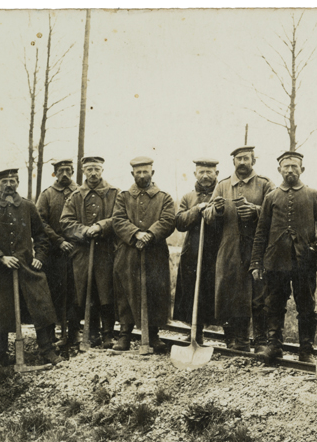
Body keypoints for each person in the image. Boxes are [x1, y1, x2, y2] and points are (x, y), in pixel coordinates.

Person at [250, 151, 317, 362]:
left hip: (304, 261)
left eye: (294, 166)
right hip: (275, 261)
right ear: (279, 170)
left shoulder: (313, 194)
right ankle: (274, 346)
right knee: (274, 303)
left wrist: (316, 250)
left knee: (306, 304)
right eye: (286, 167)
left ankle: (306, 349)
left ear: (302, 169)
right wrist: (257, 262)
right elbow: (261, 232)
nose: (290, 170)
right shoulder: (271, 198)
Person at [0, 168, 64, 366]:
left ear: (18, 183)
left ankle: (47, 350)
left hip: (26, 267)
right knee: (0, 311)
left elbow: (41, 236)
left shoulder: (27, 206)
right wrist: (1, 257)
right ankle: (1, 355)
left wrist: (39, 257)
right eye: (5, 181)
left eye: (13, 181)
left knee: (41, 304)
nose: (9, 185)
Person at [203, 145, 275, 352]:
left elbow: (275, 212)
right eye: (238, 159)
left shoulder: (265, 184)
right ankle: (235, 340)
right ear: (233, 162)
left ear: (254, 160)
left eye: (246, 158)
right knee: (229, 293)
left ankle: (261, 341)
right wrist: (215, 210)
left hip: (257, 247)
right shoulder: (223, 185)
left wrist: (255, 211)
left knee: (259, 294)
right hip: (230, 247)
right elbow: (207, 215)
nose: (242, 162)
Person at [112, 157, 176, 354]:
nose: (142, 175)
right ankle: (125, 334)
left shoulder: (164, 197)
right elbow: (118, 219)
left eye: (145, 172)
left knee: (155, 291)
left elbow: (168, 219)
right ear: (132, 174)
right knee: (126, 291)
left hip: (155, 252)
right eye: (138, 172)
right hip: (128, 251)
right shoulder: (123, 197)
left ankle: (153, 335)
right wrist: (135, 233)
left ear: (152, 173)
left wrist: (150, 234)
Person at [60, 157, 121, 350]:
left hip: (106, 251)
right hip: (82, 253)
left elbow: (120, 217)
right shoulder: (75, 196)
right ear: (83, 171)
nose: (93, 173)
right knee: (85, 292)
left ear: (102, 170)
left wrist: (101, 226)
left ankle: (108, 334)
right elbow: (65, 222)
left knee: (106, 291)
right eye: (89, 170)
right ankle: (91, 333)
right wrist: (84, 230)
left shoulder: (115, 193)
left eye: (96, 169)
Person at [173, 158, 223, 343]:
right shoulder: (188, 197)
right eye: (201, 172)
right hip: (193, 252)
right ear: (195, 174)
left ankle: (231, 336)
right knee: (193, 290)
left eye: (209, 172)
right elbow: (179, 222)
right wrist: (197, 209)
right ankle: (196, 332)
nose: (205, 176)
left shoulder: (222, 193)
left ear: (216, 174)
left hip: (216, 251)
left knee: (215, 291)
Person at [36, 159, 80, 348]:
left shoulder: (80, 193)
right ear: (54, 173)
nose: (64, 174)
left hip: (77, 251)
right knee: (53, 292)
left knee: (75, 293)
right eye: (60, 171)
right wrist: (59, 241)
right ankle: (52, 334)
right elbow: (40, 222)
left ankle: (74, 333)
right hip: (54, 254)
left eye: (68, 171)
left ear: (72, 172)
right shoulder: (47, 195)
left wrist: (75, 240)